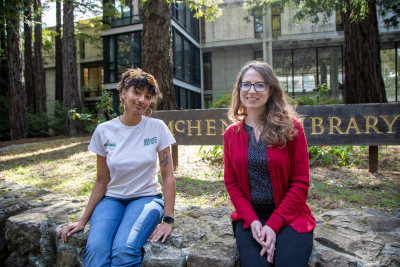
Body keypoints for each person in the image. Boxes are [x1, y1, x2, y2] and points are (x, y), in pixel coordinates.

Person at [59, 68, 176, 267]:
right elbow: (101, 181)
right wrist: (82, 222)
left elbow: (167, 176)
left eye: (148, 96)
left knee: (124, 250)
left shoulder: (157, 128)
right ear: (123, 93)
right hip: (112, 199)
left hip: (146, 198)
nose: (142, 100)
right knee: (95, 250)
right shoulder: (104, 131)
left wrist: (168, 219)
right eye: (136, 92)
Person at [223, 61, 316, 266]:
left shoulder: (291, 129)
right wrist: (252, 219)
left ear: (271, 89)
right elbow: (232, 183)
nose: (251, 91)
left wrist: (274, 224)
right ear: (239, 89)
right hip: (251, 218)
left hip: (289, 214)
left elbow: (300, 183)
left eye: (259, 85)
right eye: (245, 84)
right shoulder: (232, 134)